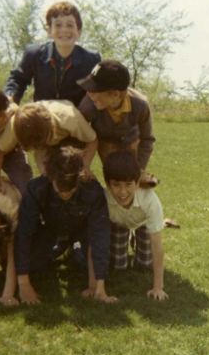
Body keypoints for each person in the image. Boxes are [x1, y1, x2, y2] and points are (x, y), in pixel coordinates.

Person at [13, 145, 117, 304]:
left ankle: (73, 249)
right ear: (50, 177)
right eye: (60, 191)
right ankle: (59, 249)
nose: (65, 195)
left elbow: (99, 236)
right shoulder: (37, 188)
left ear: (80, 177)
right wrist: (23, 283)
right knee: (36, 266)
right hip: (51, 230)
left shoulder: (93, 190)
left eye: (71, 190)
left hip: (80, 232)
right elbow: (24, 234)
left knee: (90, 266)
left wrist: (98, 287)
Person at [77, 60, 159, 187]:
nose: (88, 93)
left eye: (94, 90)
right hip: (106, 146)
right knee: (114, 181)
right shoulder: (88, 106)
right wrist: (83, 165)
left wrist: (139, 169)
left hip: (132, 143)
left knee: (132, 182)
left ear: (115, 94)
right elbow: (77, 136)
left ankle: (141, 181)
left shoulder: (140, 105)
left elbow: (147, 140)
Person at [4, 1, 101, 107]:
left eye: (70, 25)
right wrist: (10, 99)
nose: (64, 30)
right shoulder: (34, 54)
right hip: (42, 114)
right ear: (49, 31)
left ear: (79, 32)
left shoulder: (91, 59)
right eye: (58, 25)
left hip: (74, 117)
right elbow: (18, 80)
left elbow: (98, 93)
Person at [103, 150, 168, 301]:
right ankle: (128, 237)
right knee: (118, 265)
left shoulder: (150, 201)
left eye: (128, 184)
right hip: (118, 224)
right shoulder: (103, 198)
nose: (123, 191)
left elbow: (157, 245)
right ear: (107, 184)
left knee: (145, 264)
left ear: (137, 182)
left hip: (142, 223)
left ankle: (136, 238)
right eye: (116, 185)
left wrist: (158, 287)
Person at [0, 100, 98, 179]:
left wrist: (85, 165)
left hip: (69, 138)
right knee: (47, 177)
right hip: (44, 138)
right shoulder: (16, 126)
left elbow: (92, 140)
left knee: (73, 175)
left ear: (52, 128)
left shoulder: (70, 118)